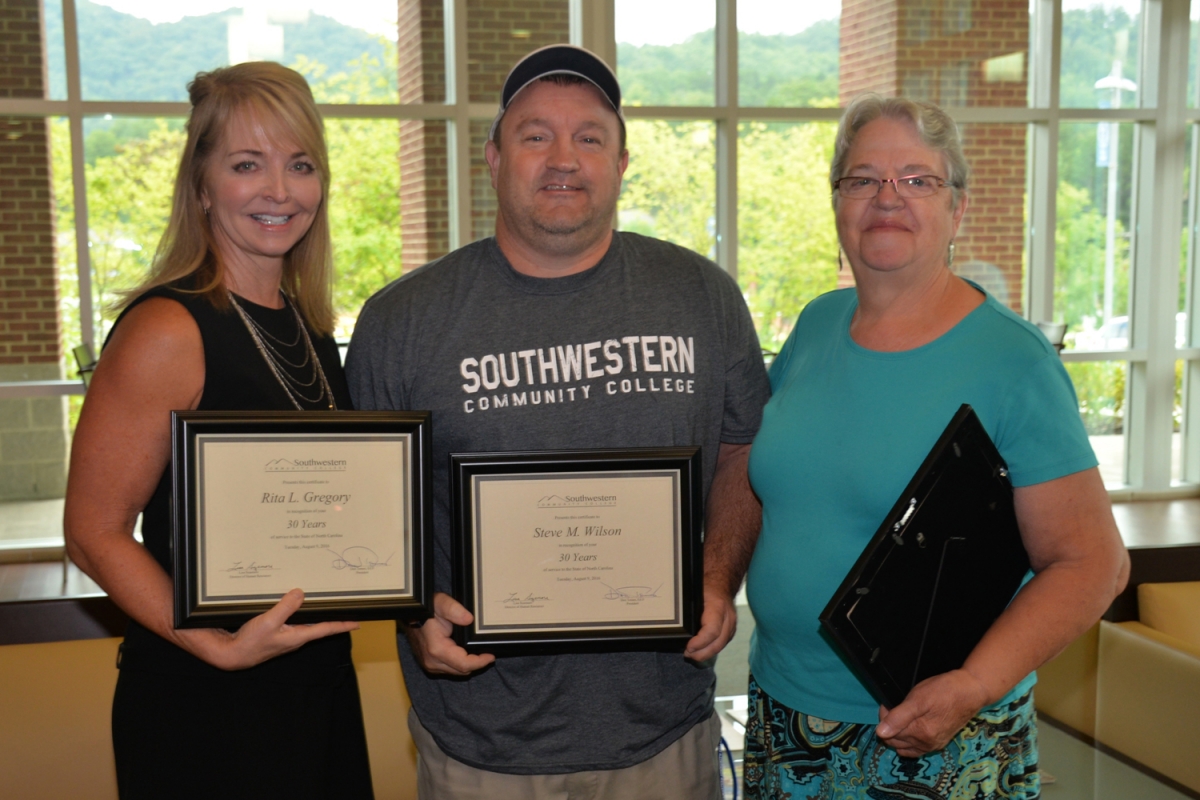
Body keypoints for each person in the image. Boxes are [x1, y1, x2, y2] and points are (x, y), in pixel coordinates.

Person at [346, 44, 770, 799]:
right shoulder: (402, 321)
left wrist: (716, 577)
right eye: (535, 135)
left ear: (623, 159)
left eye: (589, 136)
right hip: (479, 742)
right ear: (494, 157)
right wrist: (414, 617)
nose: (562, 159)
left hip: (661, 730)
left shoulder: (702, 297)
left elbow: (742, 447)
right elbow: (372, 510)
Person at [742, 94, 1130, 799]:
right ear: (838, 202)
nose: (887, 198)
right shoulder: (816, 324)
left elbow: (1092, 563)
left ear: (957, 209)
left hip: (937, 732)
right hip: (784, 713)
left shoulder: (1012, 360)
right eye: (863, 179)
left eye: (917, 180)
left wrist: (973, 686)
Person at [63, 63, 374, 800]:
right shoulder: (169, 328)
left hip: (316, 685)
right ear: (201, 185)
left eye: (300, 164)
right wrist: (221, 648)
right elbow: (92, 531)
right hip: (206, 702)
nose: (279, 189)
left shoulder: (307, 327)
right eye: (246, 164)